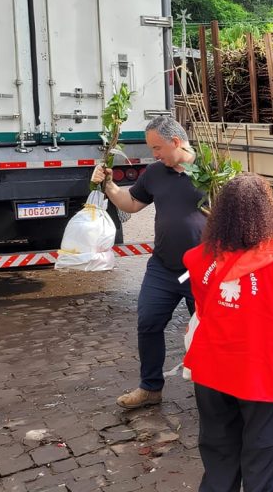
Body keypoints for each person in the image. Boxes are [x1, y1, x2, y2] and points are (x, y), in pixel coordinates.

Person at [183, 174, 273, 492]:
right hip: (261, 375)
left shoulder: (199, 258)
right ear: (265, 212)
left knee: (218, 455)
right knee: (262, 458)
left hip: (210, 370)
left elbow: (202, 310)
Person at [90, 115, 205, 409]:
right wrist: (109, 185)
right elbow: (131, 204)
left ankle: (213, 395)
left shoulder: (209, 170)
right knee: (148, 322)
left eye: (157, 148)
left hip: (203, 270)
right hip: (163, 267)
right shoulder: (155, 173)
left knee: (207, 332)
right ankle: (150, 388)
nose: (154, 154)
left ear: (176, 142)